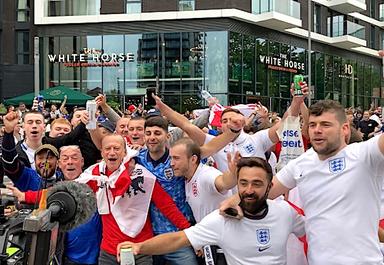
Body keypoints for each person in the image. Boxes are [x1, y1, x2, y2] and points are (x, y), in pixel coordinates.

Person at [222, 99, 384, 265]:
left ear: (344, 129)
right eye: (312, 125)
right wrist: (232, 203)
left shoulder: (365, 154)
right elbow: (265, 192)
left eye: (326, 125)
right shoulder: (301, 163)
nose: (317, 130)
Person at [117, 157, 305, 265]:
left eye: (257, 184)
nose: (249, 190)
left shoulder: (285, 212)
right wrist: (140, 247)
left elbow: (313, 232)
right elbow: (178, 239)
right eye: (243, 183)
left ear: (269, 186)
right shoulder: (221, 220)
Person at [78, 134, 192, 265]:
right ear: (102, 152)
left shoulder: (143, 176)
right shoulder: (94, 175)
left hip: (141, 249)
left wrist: (189, 231)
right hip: (109, 251)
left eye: (116, 148)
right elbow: (76, 196)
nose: (112, 152)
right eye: (108, 148)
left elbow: (166, 205)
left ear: (125, 152)